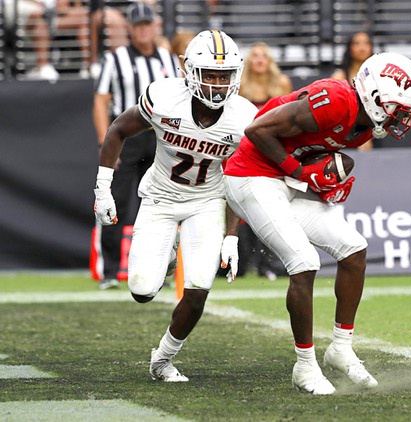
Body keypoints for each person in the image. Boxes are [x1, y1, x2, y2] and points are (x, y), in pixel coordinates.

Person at [223, 52, 411, 394]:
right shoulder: (335, 101)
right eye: (399, 110)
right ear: (375, 98)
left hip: (286, 179)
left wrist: (320, 179)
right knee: (304, 262)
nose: (402, 120)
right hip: (251, 174)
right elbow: (256, 130)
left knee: (354, 249)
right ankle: (305, 366)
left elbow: (305, 148)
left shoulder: (363, 128)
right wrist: (302, 173)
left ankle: (341, 348)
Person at [94, 30, 258, 381]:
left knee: (198, 287)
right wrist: (102, 190)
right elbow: (117, 130)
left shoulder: (244, 118)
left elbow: (238, 178)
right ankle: (167, 255)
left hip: (207, 201)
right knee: (141, 291)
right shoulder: (165, 98)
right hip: (160, 197)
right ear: (190, 72)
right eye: (210, 75)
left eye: (224, 76)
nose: (217, 85)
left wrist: (231, 235)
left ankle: (163, 358)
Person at [92, 1, 180, 290]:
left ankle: (157, 269)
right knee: (114, 201)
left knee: (159, 204)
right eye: (138, 25)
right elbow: (101, 100)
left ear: (154, 26)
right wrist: (105, 141)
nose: (143, 30)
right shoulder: (115, 58)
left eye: (147, 24)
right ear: (130, 29)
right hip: (126, 136)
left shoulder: (167, 58)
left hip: (160, 137)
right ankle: (108, 270)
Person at [237, 42, 292, 280]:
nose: (259, 60)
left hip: (273, 152)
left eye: (263, 56)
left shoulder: (282, 84)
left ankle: (269, 263)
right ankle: (241, 261)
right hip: (246, 150)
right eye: (255, 56)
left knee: (273, 206)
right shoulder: (240, 86)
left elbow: (292, 117)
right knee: (243, 208)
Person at [3, 0, 89, 80]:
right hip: (17, 5)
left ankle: (88, 68)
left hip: (49, 13)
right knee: (39, 14)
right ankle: (42, 68)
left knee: (84, 16)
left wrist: (61, 5)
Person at [331, 31, 374, 151]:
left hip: (374, 133)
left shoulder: (379, 77)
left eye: (366, 43)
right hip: (344, 134)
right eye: (357, 43)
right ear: (349, 48)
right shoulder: (339, 77)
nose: (362, 48)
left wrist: (367, 136)